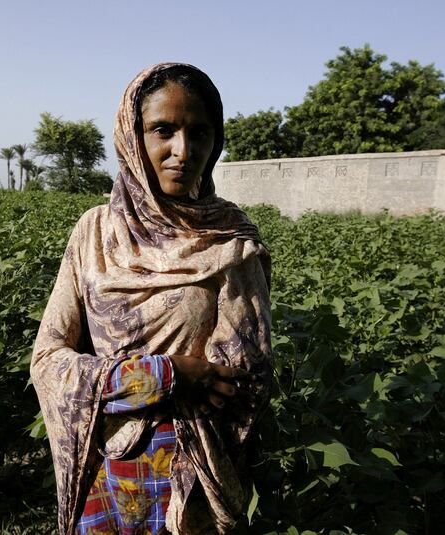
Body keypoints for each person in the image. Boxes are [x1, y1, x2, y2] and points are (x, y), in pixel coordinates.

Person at [31, 62, 272, 535]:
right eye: (163, 130)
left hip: (194, 484)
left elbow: (243, 380)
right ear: (132, 136)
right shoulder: (95, 233)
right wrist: (163, 375)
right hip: (105, 467)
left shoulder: (231, 243)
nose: (183, 150)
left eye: (199, 132)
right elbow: (47, 360)